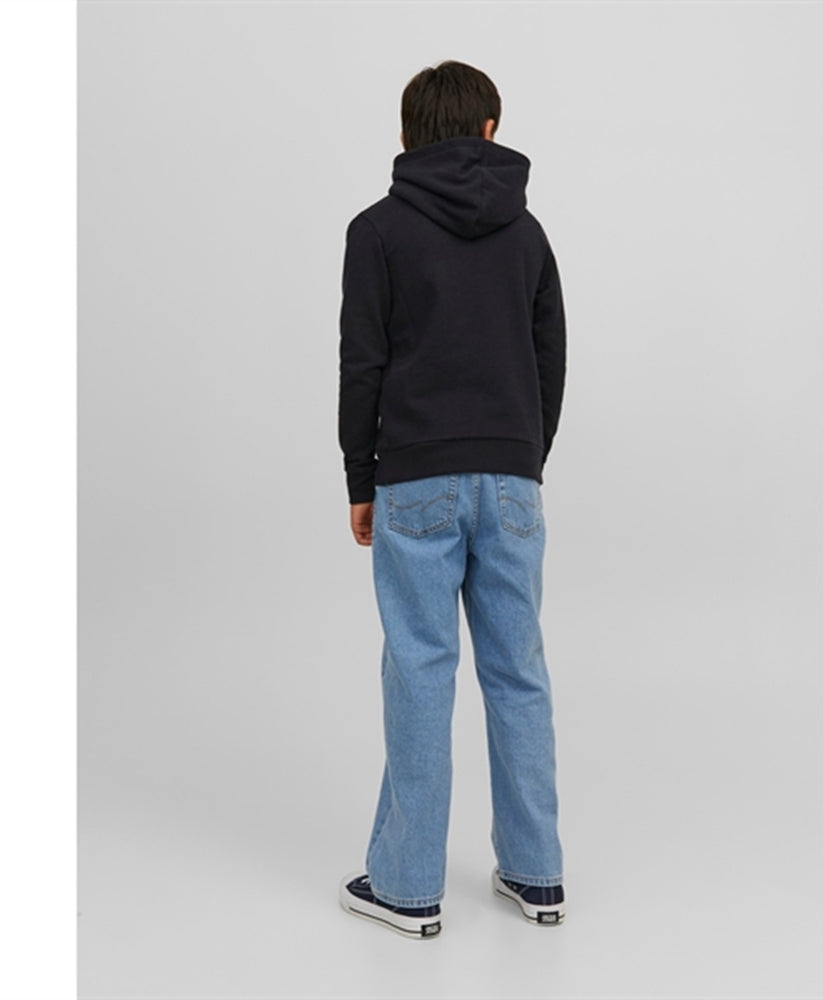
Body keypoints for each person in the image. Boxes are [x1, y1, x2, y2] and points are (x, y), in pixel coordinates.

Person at [336, 59, 567, 939]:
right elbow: (551, 356)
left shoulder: (376, 231)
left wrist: (361, 477)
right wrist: (523, 461)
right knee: (518, 672)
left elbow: (362, 361)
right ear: (490, 130)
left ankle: (407, 888)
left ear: (406, 136)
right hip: (511, 480)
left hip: (415, 480)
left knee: (421, 670)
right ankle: (538, 875)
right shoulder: (528, 234)